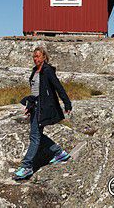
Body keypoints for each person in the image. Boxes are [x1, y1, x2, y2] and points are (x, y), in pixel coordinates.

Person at [13, 46, 72, 180]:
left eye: (38, 56)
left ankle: (27, 166)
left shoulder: (48, 71)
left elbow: (58, 87)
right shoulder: (35, 71)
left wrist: (67, 103)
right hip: (35, 106)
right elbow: (35, 91)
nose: (35, 59)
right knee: (36, 135)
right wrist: (29, 106)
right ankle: (59, 153)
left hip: (44, 107)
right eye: (34, 56)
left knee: (35, 137)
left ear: (44, 57)